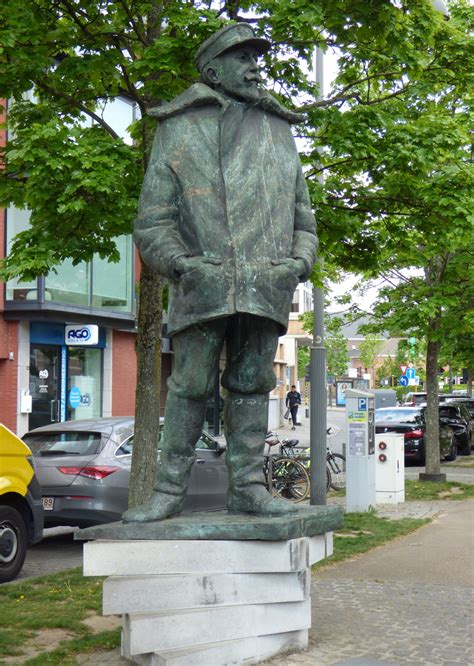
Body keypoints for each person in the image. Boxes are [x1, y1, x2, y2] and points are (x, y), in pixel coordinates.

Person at [123, 23, 317, 523]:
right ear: (212, 70)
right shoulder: (179, 129)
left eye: (258, 56)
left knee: (253, 381)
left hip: (266, 281)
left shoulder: (279, 129)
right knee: (188, 382)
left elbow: (303, 214)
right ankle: (167, 491)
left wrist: (299, 261)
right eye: (243, 57)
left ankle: (249, 488)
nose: (256, 66)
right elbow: (153, 219)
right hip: (201, 282)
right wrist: (182, 263)